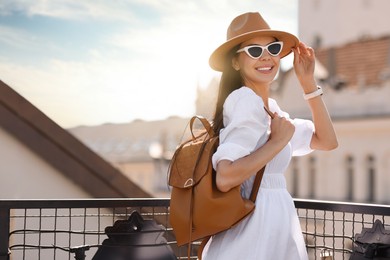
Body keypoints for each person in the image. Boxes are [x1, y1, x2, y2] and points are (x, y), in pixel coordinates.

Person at [201, 12, 338, 260]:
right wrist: (276, 142)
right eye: (254, 51)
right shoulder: (246, 102)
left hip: (270, 226)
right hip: (252, 235)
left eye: (273, 48)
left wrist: (308, 83)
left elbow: (327, 141)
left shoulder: (270, 109)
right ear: (235, 62)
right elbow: (225, 176)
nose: (266, 56)